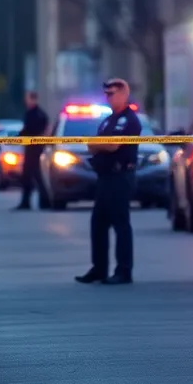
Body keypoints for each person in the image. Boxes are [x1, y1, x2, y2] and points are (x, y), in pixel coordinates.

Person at [75, 78, 141, 286]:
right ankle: (99, 268)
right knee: (98, 224)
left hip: (120, 176)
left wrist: (98, 144)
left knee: (121, 223)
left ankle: (124, 271)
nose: (109, 97)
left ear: (124, 94)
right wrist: (98, 144)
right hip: (105, 177)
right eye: (107, 94)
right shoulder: (108, 120)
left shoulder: (129, 120)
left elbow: (112, 145)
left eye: (112, 93)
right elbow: (92, 144)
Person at [14, 90, 50, 211]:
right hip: (33, 148)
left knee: (33, 176)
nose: (26, 100)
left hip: (34, 148)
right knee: (32, 176)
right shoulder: (37, 113)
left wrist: (21, 135)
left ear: (32, 99)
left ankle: (41, 201)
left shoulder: (35, 114)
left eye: (27, 98)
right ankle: (34, 201)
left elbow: (30, 130)